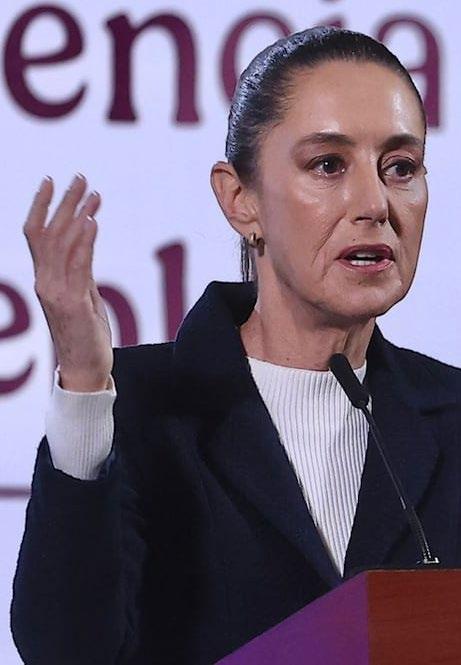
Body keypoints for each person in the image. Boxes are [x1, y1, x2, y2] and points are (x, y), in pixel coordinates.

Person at [10, 26, 461, 665]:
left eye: (401, 168)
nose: (375, 203)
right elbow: (66, 651)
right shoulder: (138, 409)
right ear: (240, 199)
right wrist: (84, 389)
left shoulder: (452, 414)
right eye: (328, 165)